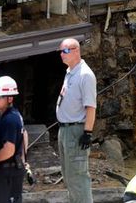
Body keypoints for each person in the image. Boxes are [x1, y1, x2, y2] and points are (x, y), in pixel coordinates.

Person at [56, 38, 97, 203]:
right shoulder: (70, 71)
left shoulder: (85, 75)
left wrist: (87, 132)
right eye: (60, 51)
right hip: (64, 129)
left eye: (65, 51)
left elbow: (91, 107)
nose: (61, 54)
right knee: (69, 176)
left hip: (75, 130)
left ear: (76, 51)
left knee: (78, 178)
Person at [0, 76, 25, 203]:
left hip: (8, 173)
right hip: (6, 171)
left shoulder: (10, 119)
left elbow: (9, 150)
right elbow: (24, 135)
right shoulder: (6, 115)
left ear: (10, 98)